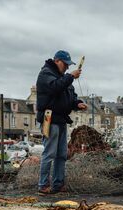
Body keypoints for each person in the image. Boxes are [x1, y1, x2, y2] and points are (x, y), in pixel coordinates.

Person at [36, 50, 87, 195]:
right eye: (65, 65)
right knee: (49, 153)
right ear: (57, 61)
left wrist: (77, 104)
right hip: (49, 119)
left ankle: (58, 184)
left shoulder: (63, 78)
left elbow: (70, 96)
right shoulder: (46, 74)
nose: (67, 68)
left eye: (68, 66)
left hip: (61, 119)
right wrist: (70, 76)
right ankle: (43, 185)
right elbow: (55, 88)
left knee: (62, 154)